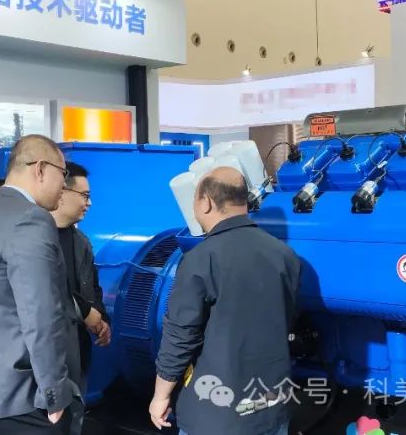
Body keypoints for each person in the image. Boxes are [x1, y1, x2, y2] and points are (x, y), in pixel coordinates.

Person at [149, 166, 301, 435]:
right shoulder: (285, 255)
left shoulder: (201, 259)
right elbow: (288, 319)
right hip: (273, 408)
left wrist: (161, 396)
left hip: (217, 417)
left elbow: (180, 336)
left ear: (206, 202)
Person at [0, 135, 78, 434]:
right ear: (41, 169)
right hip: (21, 399)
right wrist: (55, 394)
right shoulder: (30, 220)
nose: (64, 184)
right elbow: (41, 315)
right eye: (63, 174)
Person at [49, 162, 112, 432]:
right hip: (49, 349)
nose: (89, 203)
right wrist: (86, 313)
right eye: (84, 196)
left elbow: (92, 288)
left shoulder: (81, 241)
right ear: (62, 192)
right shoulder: (37, 239)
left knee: (74, 417)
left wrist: (102, 319)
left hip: (77, 350)